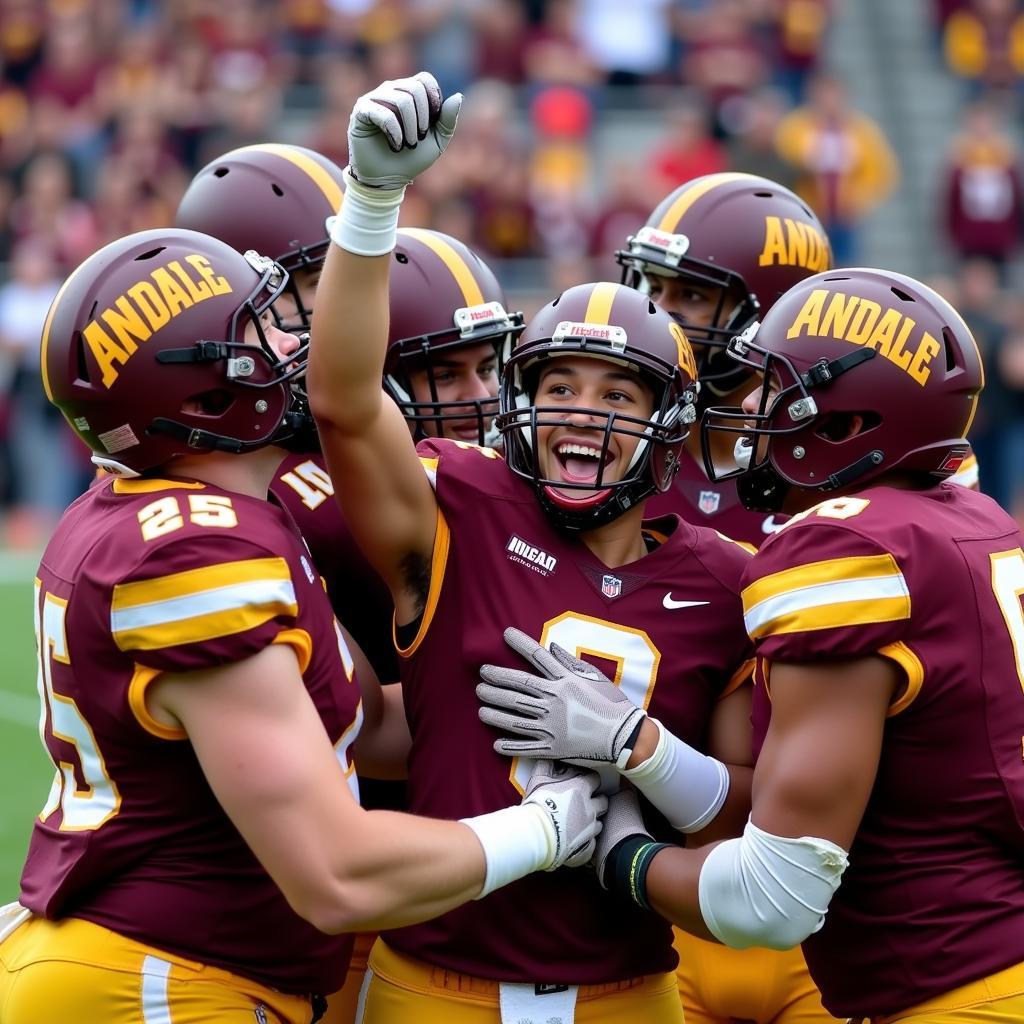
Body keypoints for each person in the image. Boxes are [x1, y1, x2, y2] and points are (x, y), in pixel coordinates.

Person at [0, 226, 606, 1024]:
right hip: (154, 981)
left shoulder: (211, 517)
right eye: (265, 329)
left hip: (169, 972)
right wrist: (546, 828)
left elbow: (373, 721)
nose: (296, 337)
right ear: (212, 392)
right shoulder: (199, 552)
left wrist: (590, 729)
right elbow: (334, 874)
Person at [307, 71, 758, 1023]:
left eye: (617, 395)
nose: (579, 418)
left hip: (631, 990)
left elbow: (750, 824)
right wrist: (373, 199)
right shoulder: (460, 509)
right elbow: (345, 402)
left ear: (669, 424)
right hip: (434, 984)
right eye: (558, 388)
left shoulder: (723, 580)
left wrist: (645, 753)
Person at [479, 266, 1024, 1022]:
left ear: (841, 423)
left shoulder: (845, 549)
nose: (752, 413)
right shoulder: (975, 519)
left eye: (775, 390)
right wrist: (649, 751)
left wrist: (618, 856)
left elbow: (772, 898)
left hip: (956, 986)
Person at [175, 142, 526, 1023]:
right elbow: (371, 725)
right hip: (357, 875)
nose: (333, 309)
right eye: (311, 285)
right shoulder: (278, 494)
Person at [617, 172, 839, 1022]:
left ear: (771, 316)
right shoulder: (607, 454)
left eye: (691, 296)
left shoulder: (835, 466)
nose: (660, 313)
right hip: (649, 898)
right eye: (655, 287)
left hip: (812, 895)